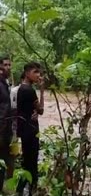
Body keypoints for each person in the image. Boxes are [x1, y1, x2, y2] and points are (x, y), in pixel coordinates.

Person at [16, 62, 44, 196]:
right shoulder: (29, 90)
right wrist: (42, 90)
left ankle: (20, 190)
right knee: (31, 163)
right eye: (35, 72)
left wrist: (36, 112)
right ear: (27, 73)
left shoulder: (22, 88)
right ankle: (29, 189)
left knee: (27, 162)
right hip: (31, 131)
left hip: (25, 130)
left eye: (39, 72)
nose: (38, 75)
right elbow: (41, 109)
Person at [0, 56, 13, 194]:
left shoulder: (5, 84)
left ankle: (7, 189)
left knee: (8, 161)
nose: (8, 67)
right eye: (5, 65)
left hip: (6, 131)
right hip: (1, 130)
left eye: (9, 65)